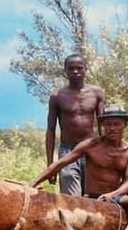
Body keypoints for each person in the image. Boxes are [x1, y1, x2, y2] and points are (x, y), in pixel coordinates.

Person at [30, 104, 128, 219]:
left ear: (125, 125)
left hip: (115, 197)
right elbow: (60, 164)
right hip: (94, 197)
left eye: (117, 124)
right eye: (108, 124)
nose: (112, 128)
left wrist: (113, 194)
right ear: (102, 125)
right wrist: (33, 184)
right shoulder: (91, 145)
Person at [45, 53, 105, 196]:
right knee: (72, 198)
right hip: (68, 151)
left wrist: (106, 152)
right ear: (65, 71)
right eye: (71, 69)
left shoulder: (97, 93)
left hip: (92, 150)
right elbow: (51, 130)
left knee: (93, 196)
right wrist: (51, 165)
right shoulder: (57, 96)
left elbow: (103, 124)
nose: (75, 72)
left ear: (85, 69)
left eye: (79, 68)